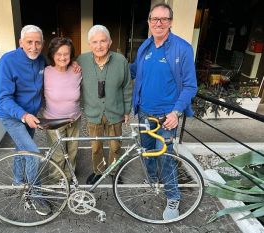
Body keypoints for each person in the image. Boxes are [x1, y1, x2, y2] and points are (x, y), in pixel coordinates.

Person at [130, 3, 198, 220]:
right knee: (147, 153)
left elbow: (190, 86)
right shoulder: (145, 47)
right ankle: (152, 181)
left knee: (166, 157)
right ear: (149, 22)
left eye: (163, 19)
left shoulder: (182, 48)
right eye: (154, 19)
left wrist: (176, 112)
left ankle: (173, 196)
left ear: (171, 22)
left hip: (165, 118)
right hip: (143, 114)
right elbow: (134, 71)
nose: (158, 23)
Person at [0, 25, 50, 215]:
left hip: (30, 115)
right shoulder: (7, 61)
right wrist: (23, 115)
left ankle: (18, 182)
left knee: (22, 148)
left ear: (42, 44)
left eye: (37, 42)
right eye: (29, 42)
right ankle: (36, 195)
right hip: (12, 115)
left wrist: (72, 65)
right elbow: (3, 97)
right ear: (20, 43)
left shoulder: (41, 60)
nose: (33, 47)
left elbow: (56, 67)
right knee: (33, 152)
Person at [77, 25, 132, 185]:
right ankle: (98, 171)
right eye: (95, 42)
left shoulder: (121, 61)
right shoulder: (81, 61)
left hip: (115, 113)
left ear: (110, 42)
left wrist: (127, 110)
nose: (99, 46)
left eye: (103, 41)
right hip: (93, 113)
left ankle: (114, 171)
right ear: (89, 44)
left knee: (115, 146)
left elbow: (127, 87)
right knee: (96, 147)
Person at [43, 37, 82, 180]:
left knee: (72, 152)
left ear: (71, 55)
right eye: (58, 54)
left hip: (74, 119)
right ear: (52, 55)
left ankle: (69, 178)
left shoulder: (77, 70)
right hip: (54, 121)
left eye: (66, 54)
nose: (62, 57)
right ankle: (55, 180)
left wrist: (75, 63)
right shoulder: (46, 72)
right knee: (58, 155)